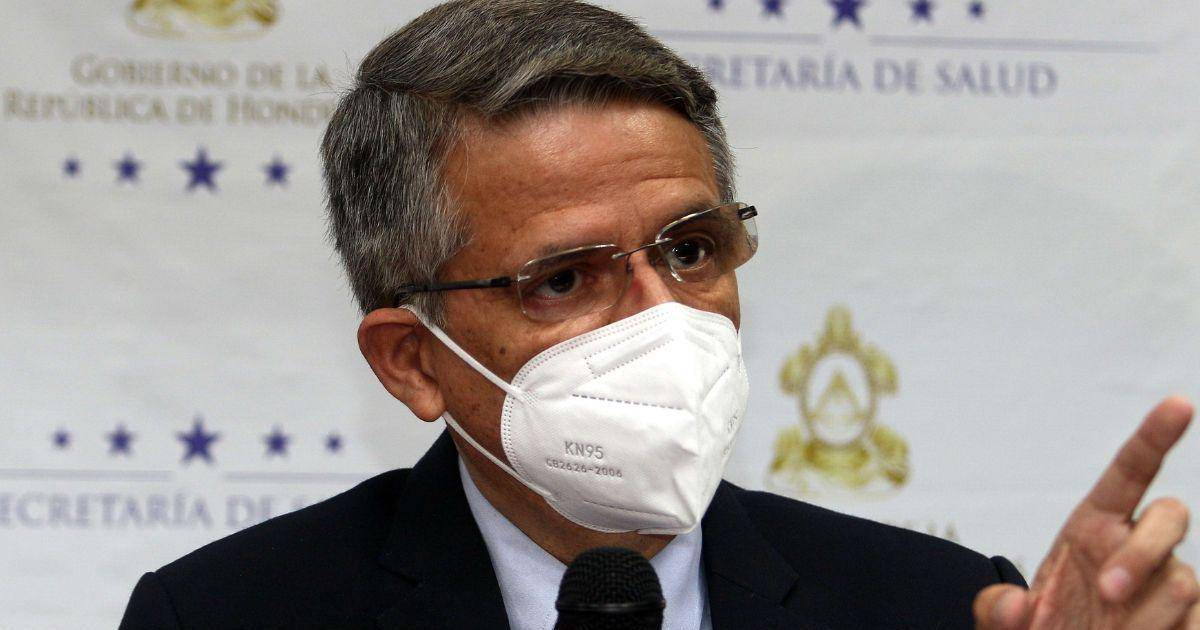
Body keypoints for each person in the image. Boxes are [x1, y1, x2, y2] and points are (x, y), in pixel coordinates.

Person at [118, 1, 1198, 628]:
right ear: (413, 361)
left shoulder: (938, 608)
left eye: (690, 251)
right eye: (562, 280)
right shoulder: (226, 617)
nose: (664, 316)